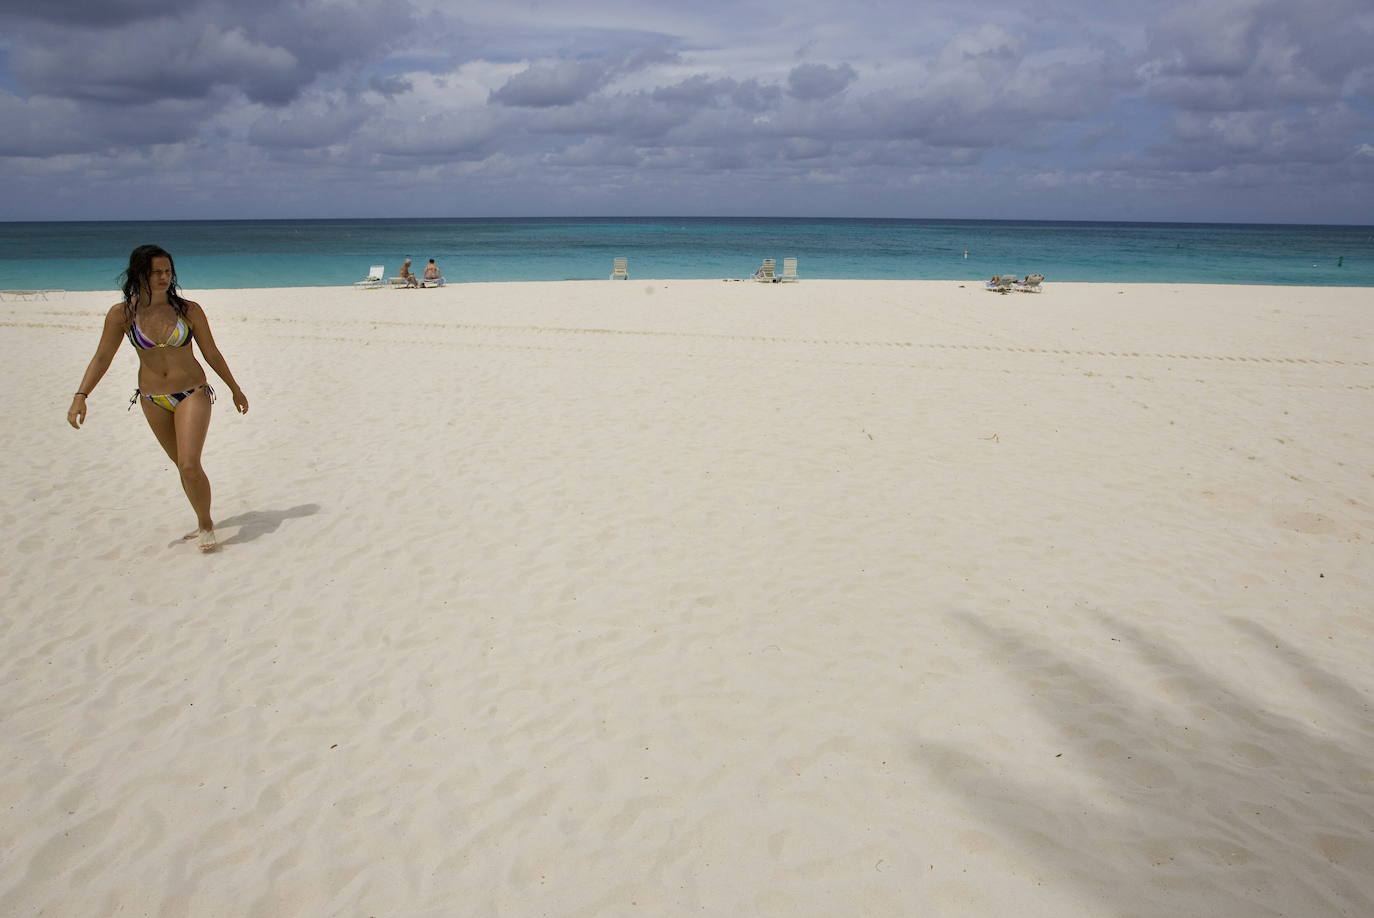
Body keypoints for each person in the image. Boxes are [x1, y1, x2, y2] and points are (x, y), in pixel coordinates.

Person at [67, 244, 249, 552]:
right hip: (152, 399)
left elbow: (211, 352)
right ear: (140, 274)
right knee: (180, 465)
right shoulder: (122, 315)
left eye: (167, 271)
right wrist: (81, 395)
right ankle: (201, 516)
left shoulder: (188, 310)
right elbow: (101, 358)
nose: (164, 277)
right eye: (156, 272)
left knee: (190, 464)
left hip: (192, 392)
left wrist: (234, 387)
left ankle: (206, 524)